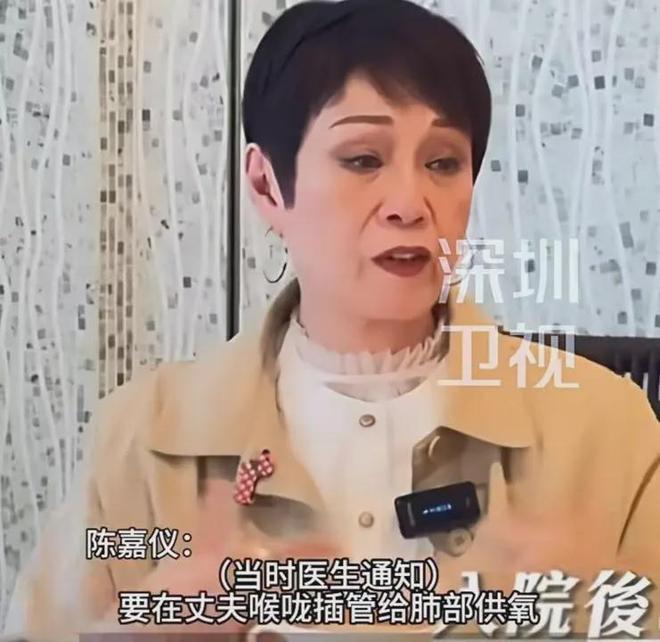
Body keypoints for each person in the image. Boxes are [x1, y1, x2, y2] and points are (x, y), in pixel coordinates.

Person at [5, 0, 660, 640]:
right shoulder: (143, 440)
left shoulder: (607, 432)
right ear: (267, 185)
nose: (410, 204)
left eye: (442, 162)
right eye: (363, 159)